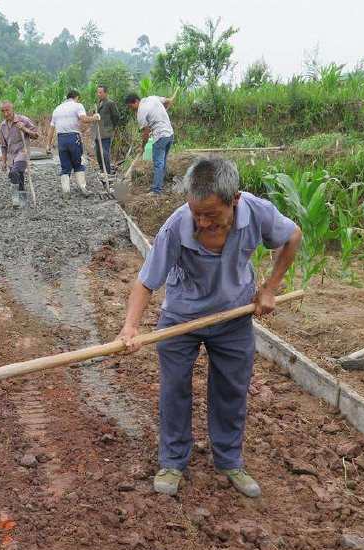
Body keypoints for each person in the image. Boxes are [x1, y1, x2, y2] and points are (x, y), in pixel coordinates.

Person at [116, 157, 302, 498]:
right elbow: (146, 282)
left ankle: (229, 459)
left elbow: (292, 236)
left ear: (234, 200)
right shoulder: (176, 226)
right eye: (195, 213)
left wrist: (271, 288)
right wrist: (130, 327)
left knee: (231, 389)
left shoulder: (256, 212)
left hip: (233, 316)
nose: (201, 221)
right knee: (174, 389)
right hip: (181, 318)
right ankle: (173, 461)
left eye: (211, 214)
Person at [46, 90, 99, 195]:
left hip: (61, 139)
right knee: (77, 163)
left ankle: (66, 191)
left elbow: (51, 128)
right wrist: (95, 117)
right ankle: (83, 188)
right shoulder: (77, 105)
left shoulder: (57, 109)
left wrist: (48, 144)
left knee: (65, 166)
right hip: (73, 137)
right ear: (76, 97)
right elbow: (83, 119)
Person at [125, 93, 175, 195]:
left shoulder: (141, 112)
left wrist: (143, 146)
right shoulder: (152, 98)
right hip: (170, 134)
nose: (131, 109)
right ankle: (161, 185)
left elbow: (145, 133)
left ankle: (156, 191)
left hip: (160, 136)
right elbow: (168, 101)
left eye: (131, 106)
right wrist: (162, 111)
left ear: (135, 102)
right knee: (162, 163)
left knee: (158, 164)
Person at [0, 101, 39, 209]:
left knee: (14, 172)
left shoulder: (23, 120)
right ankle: (23, 202)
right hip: (11, 156)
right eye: (3, 111)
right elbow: (4, 146)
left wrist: (24, 129)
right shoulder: (2, 126)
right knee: (18, 177)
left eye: (7, 110)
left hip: (22, 153)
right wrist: (3, 161)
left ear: (12, 109)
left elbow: (36, 135)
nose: (6, 113)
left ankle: (15, 200)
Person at [94, 85, 118, 180]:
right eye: (98, 92)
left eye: (100, 92)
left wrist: (112, 127)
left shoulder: (110, 103)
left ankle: (107, 172)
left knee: (105, 152)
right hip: (98, 132)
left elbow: (116, 116)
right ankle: (102, 170)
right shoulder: (99, 103)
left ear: (105, 93)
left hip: (106, 132)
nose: (98, 94)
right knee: (98, 153)